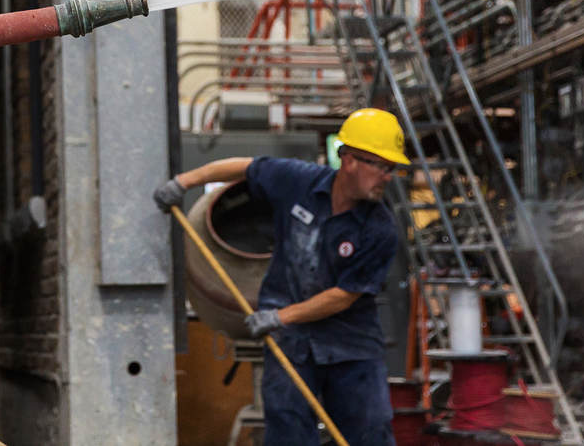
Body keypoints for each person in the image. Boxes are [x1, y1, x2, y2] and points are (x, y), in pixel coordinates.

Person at [154, 107, 408, 446]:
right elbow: (242, 167)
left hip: (351, 346)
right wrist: (183, 183)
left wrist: (280, 316)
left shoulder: (379, 229)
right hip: (292, 344)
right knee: (288, 435)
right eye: (382, 166)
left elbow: (343, 295)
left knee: (369, 433)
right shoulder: (298, 181)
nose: (388, 176)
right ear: (350, 160)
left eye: (391, 168)